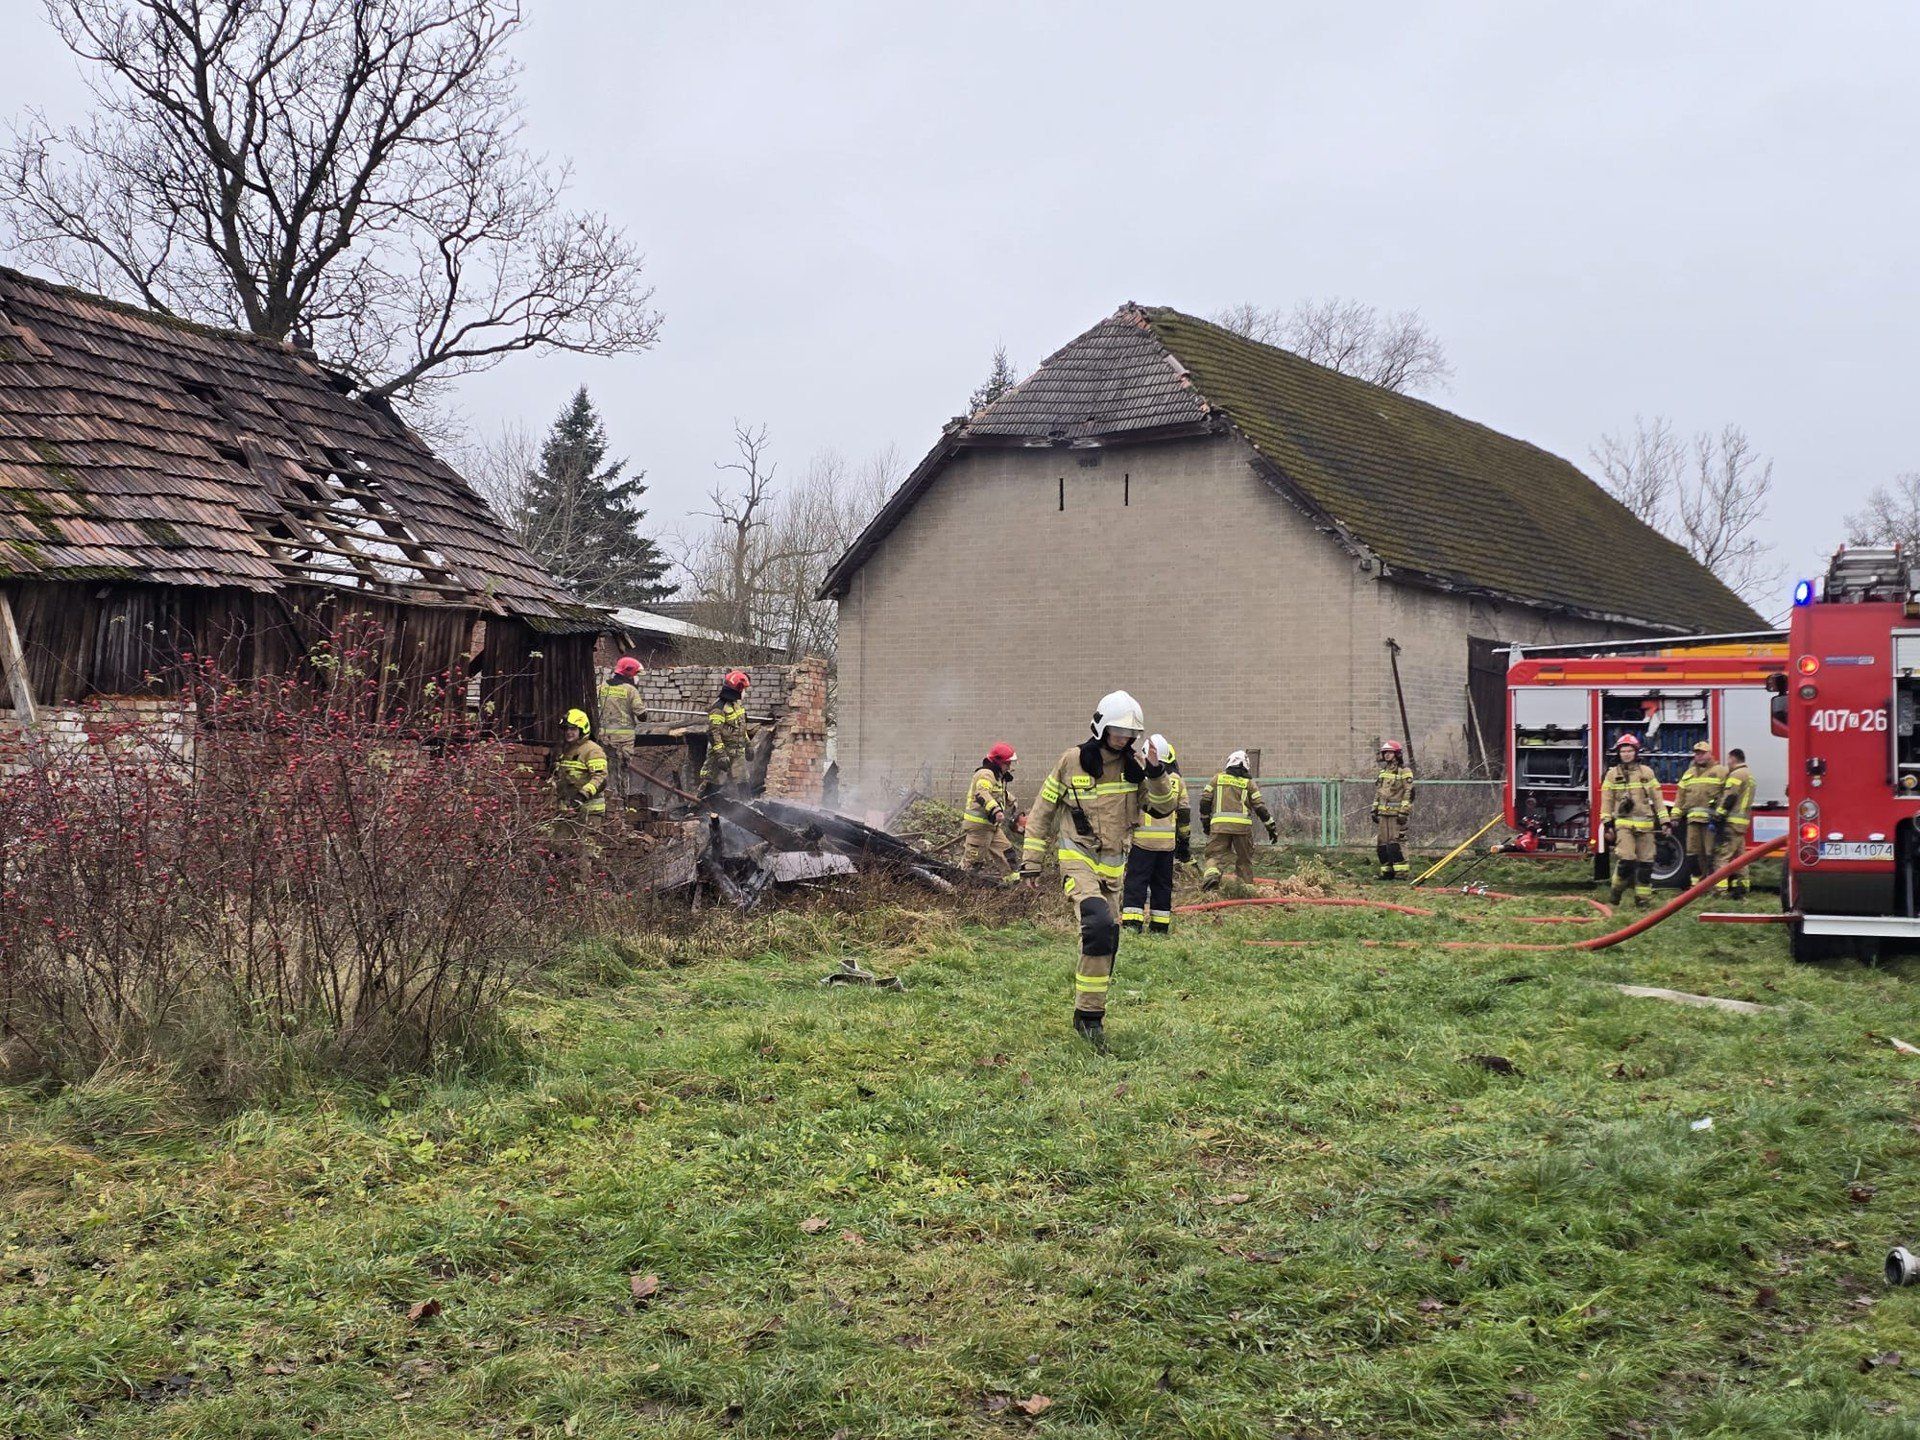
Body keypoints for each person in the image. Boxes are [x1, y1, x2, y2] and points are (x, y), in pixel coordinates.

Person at [1020, 691, 1177, 1048]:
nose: (1123, 739)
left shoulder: (1135, 767)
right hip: (1078, 858)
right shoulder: (1071, 761)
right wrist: (1030, 863)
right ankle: (1090, 1020)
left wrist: (1155, 772)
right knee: (1098, 925)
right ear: (1101, 727)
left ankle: (1088, 1013)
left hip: (1114, 868)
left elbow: (1164, 807)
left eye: (1129, 734)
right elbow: (1042, 811)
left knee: (1107, 941)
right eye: (1118, 732)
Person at [1121, 734, 1189, 935]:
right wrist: (1184, 844)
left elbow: (1130, 806)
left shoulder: (1140, 777)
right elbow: (1184, 813)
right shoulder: (1177, 780)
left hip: (1142, 843)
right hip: (1167, 845)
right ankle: (1159, 928)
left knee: (1136, 884)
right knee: (1162, 887)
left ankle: (1132, 926)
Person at [1600, 733, 1667, 907]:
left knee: (1646, 864)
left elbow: (1658, 798)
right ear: (1619, 753)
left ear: (1636, 753)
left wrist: (1665, 821)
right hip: (1623, 825)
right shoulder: (1612, 775)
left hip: (1646, 826)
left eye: (1630, 750)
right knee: (1626, 860)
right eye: (1623, 751)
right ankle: (1615, 894)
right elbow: (1606, 800)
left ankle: (1642, 900)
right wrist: (1607, 823)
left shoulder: (1647, 773)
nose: (1627, 754)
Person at [1199, 749, 1277, 889]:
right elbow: (1260, 808)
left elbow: (1205, 801)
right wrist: (1271, 827)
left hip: (1219, 827)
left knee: (1214, 856)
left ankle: (1212, 878)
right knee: (1244, 860)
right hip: (1242, 829)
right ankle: (1245, 889)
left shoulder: (1217, 779)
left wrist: (1205, 822)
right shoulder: (1249, 783)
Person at [551, 707, 609, 877]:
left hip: (589, 811)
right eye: (566, 729)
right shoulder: (567, 750)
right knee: (558, 847)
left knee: (584, 853)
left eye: (573, 729)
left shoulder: (592, 750)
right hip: (568, 810)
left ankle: (582, 892)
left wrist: (582, 795)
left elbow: (600, 778)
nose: (569, 733)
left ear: (582, 729)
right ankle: (562, 888)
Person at [597, 656, 648, 816]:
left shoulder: (602, 687)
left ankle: (606, 805)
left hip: (604, 737)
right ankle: (623, 808)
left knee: (606, 771)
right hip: (624, 740)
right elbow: (642, 716)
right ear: (630, 674)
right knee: (623, 772)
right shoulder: (630, 690)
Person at [962, 743, 1022, 874]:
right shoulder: (985, 774)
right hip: (979, 827)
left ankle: (1014, 887)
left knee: (1008, 855)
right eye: (1007, 764)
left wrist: (1011, 800)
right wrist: (996, 810)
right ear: (998, 762)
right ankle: (957, 888)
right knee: (972, 863)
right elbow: (982, 793)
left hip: (991, 826)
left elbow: (996, 793)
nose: (1009, 767)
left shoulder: (995, 776)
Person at [1673, 739, 1726, 885]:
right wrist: (1675, 816)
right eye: (1697, 753)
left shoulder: (1720, 771)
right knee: (1692, 854)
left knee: (1711, 854)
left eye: (1703, 753)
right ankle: (1697, 885)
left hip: (1712, 822)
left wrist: (1721, 814)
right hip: (1693, 822)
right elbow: (1680, 796)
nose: (1700, 756)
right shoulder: (1688, 773)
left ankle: (1713, 884)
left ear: (1710, 754)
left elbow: (1728, 794)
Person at [699, 669, 754, 797]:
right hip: (722, 755)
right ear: (738, 689)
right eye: (744, 690)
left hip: (737, 753)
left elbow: (741, 729)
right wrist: (721, 755)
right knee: (713, 786)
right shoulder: (719, 708)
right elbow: (713, 733)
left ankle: (748, 811)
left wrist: (748, 745)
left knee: (743, 782)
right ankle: (697, 811)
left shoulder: (736, 705)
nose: (745, 693)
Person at [1713, 746, 1757, 893]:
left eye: (1728, 760)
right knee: (1740, 858)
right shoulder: (1750, 775)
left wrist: (1719, 814)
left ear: (1733, 759)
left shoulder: (1736, 775)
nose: (1728, 763)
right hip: (1742, 823)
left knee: (1723, 856)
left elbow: (1730, 797)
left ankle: (1720, 891)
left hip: (1732, 823)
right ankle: (1742, 888)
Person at [1371, 740, 1416, 879]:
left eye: (1390, 752)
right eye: (1385, 753)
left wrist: (1404, 811)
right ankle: (1387, 872)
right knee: (1382, 845)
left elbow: (1409, 792)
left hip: (1397, 815)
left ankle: (1401, 873)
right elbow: (1379, 792)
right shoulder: (1383, 772)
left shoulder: (1404, 771)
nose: (1387, 755)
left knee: (1396, 843)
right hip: (1383, 814)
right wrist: (1374, 809)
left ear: (1397, 754)